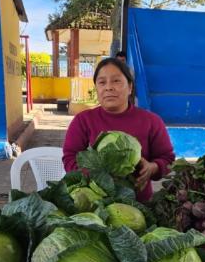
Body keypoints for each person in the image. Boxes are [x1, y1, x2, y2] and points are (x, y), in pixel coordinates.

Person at [62, 57, 175, 202]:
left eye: (116, 81)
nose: (108, 87)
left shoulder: (152, 121)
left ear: (130, 87)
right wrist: (97, 176)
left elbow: (167, 159)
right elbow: (70, 158)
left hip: (140, 204)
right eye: (102, 82)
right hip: (96, 202)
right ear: (96, 88)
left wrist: (153, 167)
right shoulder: (83, 120)